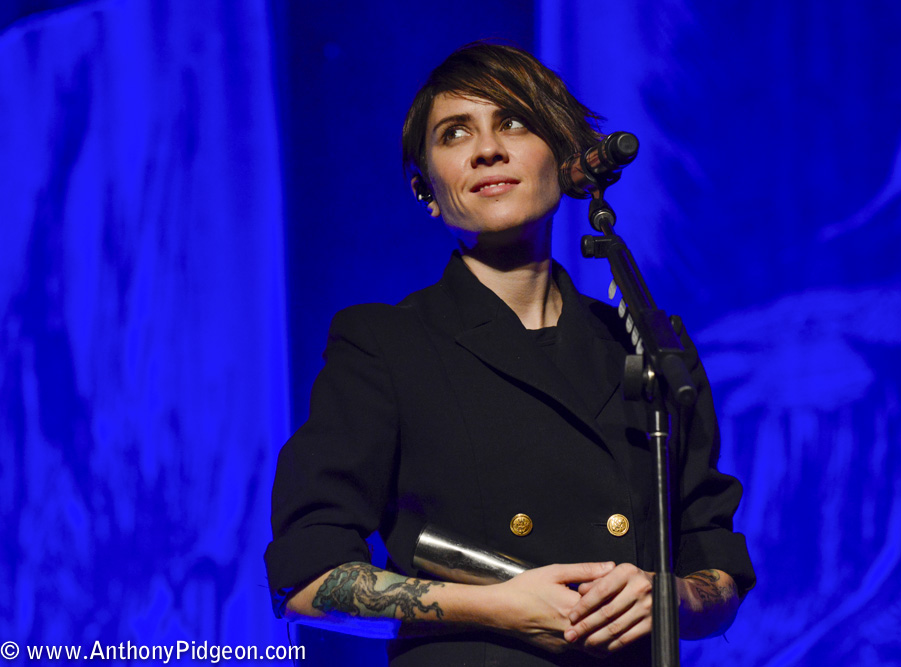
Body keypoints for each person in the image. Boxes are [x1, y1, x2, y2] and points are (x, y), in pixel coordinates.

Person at [265, 42, 755, 667]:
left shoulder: (651, 349)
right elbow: (305, 576)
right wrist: (504, 606)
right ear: (427, 189)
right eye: (455, 133)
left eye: (514, 122)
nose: (488, 148)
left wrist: (667, 599)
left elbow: (716, 572)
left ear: (567, 159)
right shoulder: (384, 345)